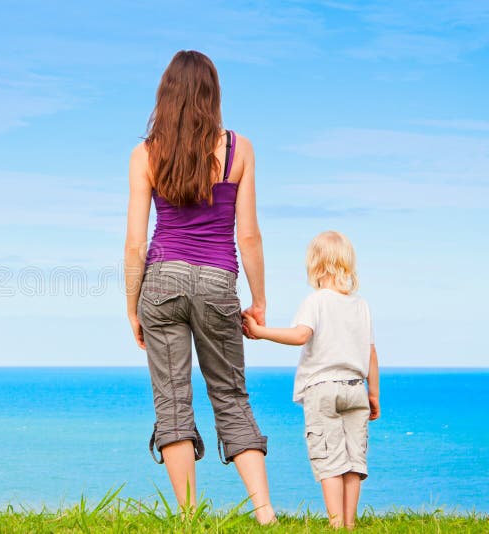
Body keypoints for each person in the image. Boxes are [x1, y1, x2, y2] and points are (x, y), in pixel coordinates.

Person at [124, 50, 276, 524]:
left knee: (171, 399)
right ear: (213, 95)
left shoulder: (146, 153)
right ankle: (266, 514)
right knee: (230, 394)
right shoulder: (239, 148)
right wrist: (260, 300)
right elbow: (247, 234)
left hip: (162, 279)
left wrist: (132, 307)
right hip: (217, 281)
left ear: (165, 96)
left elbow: (134, 244)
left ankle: (190, 517)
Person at [243, 230, 381, 530]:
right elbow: (371, 353)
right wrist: (374, 395)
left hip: (322, 390)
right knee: (354, 461)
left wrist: (260, 332)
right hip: (356, 388)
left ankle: (334, 524)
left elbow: (300, 335)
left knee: (330, 461)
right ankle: (349, 524)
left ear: (315, 265)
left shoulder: (316, 301)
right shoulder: (362, 306)